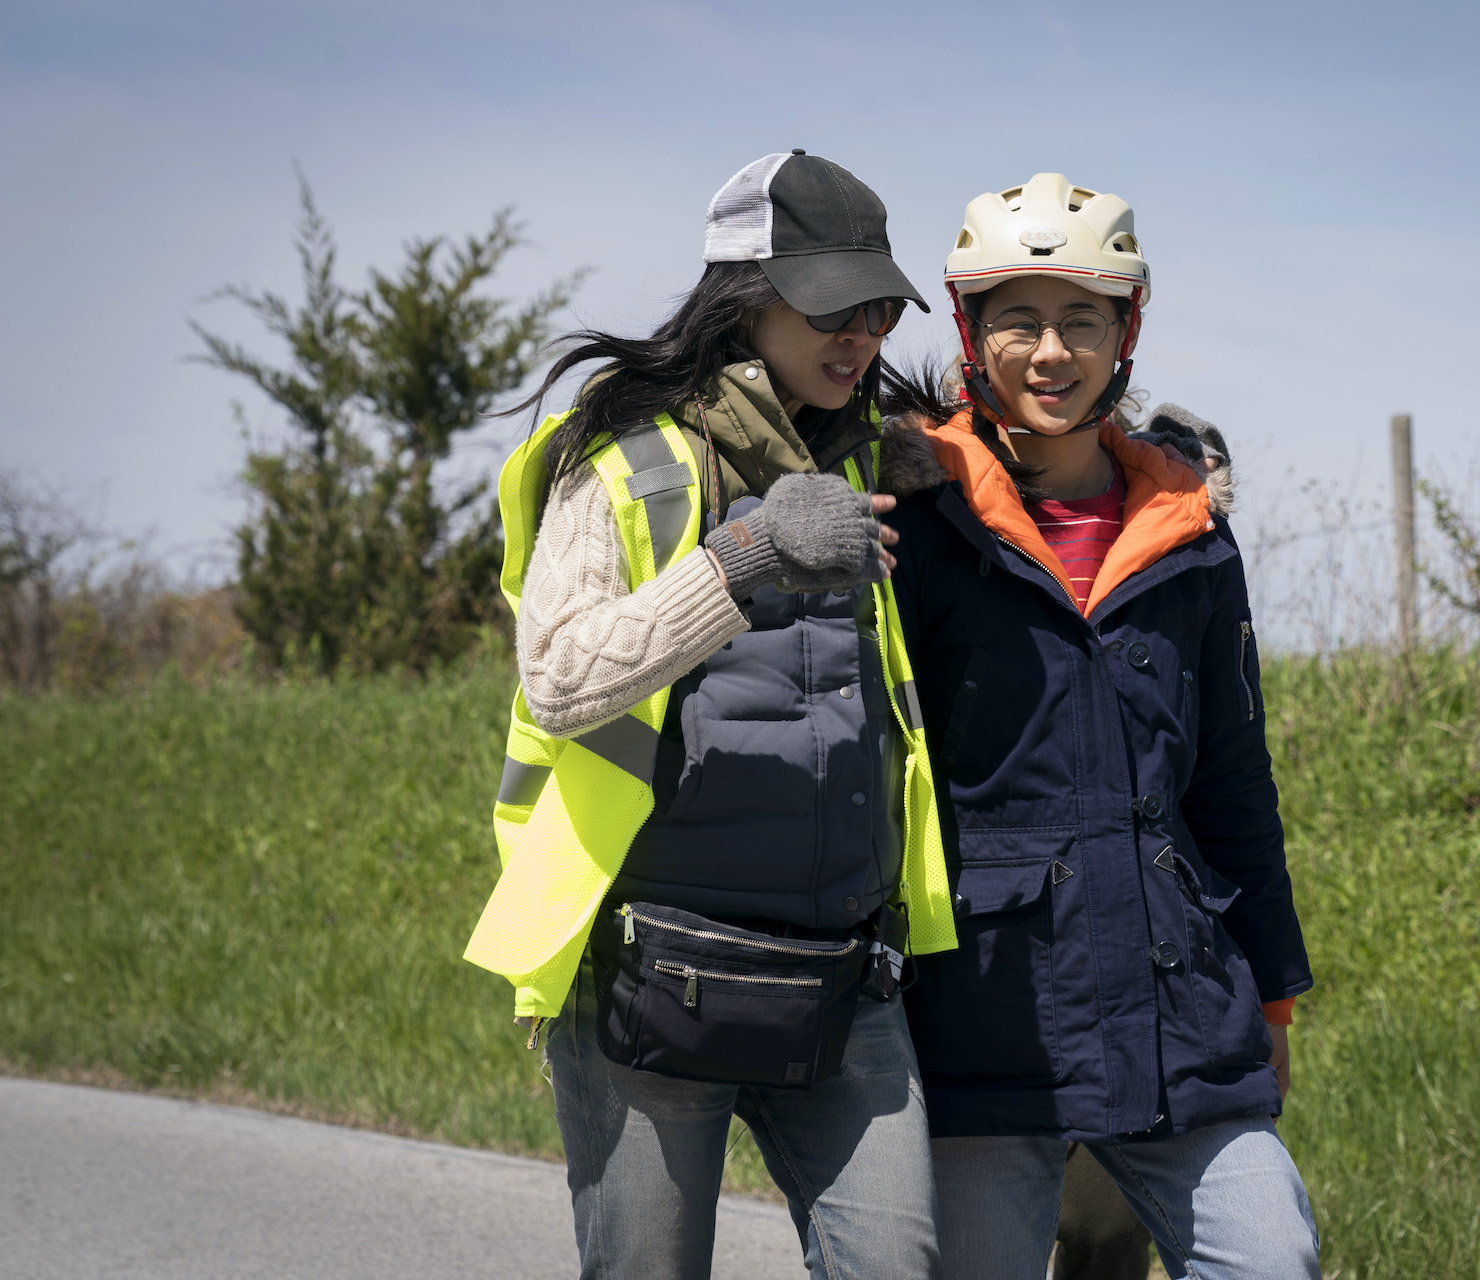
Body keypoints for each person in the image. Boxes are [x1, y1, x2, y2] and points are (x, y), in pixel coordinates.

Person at [462, 150, 960, 1280]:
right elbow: (562, 677)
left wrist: (1160, 460)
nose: (860, 336)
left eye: (879, 310)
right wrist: (744, 557)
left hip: (847, 968)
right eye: (831, 308)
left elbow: (1038, 451)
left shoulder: (879, 452)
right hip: (654, 968)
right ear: (745, 297)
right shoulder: (620, 459)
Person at [878, 173, 1322, 1280]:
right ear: (971, 332)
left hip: (1183, 1020)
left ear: (1127, 333)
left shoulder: (1192, 536)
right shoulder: (915, 520)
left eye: (1082, 319)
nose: (1051, 351)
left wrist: (1273, 995)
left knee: (1272, 1258)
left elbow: (1232, 783)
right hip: (983, 1027)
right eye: (1019, 320)